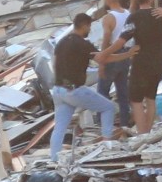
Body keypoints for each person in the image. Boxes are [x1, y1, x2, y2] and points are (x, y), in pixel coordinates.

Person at [48, 12, 118, 162]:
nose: (90, 30)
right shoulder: (82, 43)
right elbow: (102, 58)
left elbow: (54, 64)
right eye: (89, 26)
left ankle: (54, 159)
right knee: (108, 107)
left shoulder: (61, 42)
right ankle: (107, 144)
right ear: (85, 25)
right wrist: (128, 54)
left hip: (58, 89)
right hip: (74, 90)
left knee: (59, 126)